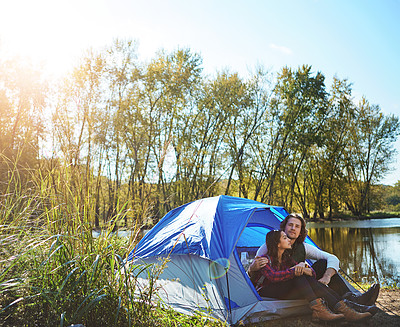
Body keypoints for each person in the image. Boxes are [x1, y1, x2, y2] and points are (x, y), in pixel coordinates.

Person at [248, 213, 380, 307]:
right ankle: (346, 303)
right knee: (298, 274)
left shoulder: (304, 247)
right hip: (282, 286)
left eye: (297, 226)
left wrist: (327, 276)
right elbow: (259, 273)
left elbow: (332, 258)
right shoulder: (267, 247)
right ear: (284, 228)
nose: (293, 228)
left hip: (301, 282)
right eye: (290, 225)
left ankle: (350, 298)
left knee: (323, 264)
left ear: (301, 232)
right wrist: (251, 269)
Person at [253, 230, 372, 322]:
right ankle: (336, 309)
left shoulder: (286, 258)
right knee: (298, 274)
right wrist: (296, 271)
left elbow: (313, 274)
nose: (288, 239)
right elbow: (274, 277)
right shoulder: (264, 259)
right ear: (278, 244)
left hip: (283, 289)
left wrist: (304, 267)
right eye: (284, 238)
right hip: (267, 290)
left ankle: (342, 309)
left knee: (301, 274)